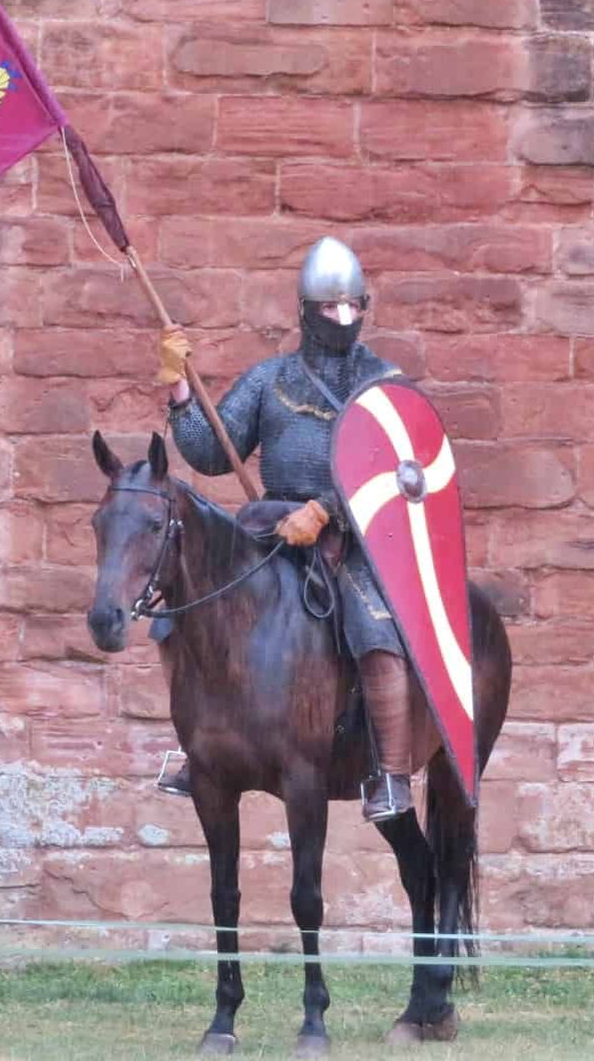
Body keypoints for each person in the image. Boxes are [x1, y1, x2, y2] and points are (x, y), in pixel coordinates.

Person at [154, 236, 419, 822]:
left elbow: (399, 470)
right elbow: (210, 451)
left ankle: (392, 775)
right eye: (330, 308)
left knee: (377, 633)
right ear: (307, 311)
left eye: (352, 306)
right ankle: (196, 747)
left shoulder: (383, 381)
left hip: (352, 539)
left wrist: (326, 510)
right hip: (267, 529)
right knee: (179, 614)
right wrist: (178, 387)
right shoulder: (269, 380)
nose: (343, 318)